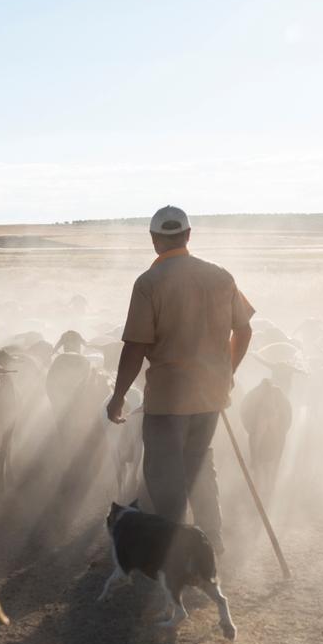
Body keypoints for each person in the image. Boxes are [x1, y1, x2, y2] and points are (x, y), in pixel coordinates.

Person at [106, 205, 254, 552]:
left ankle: (173, 551)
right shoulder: (221, 276)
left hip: (168, 399)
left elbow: (135, 347)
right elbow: (245, 331)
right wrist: (227, 372)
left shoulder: (149, 283)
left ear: (155, 240)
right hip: (210, 396)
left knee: (163, 476)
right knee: (201, 464)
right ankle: (211, 541)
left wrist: (117, 396)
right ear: (188, 236)